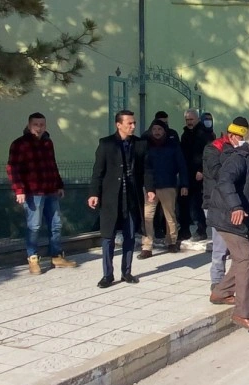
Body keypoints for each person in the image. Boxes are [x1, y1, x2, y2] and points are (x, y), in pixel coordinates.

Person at [206, 129, 249, 333]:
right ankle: (243, 312)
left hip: (237, 219)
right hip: (228, 216)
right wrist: (236, 206)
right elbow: (225, 181)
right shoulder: (239, 158)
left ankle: (220, 293)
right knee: (247, 258)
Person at [88, 110, 153, 288]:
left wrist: (150, 189)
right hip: (111, 199)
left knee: (130, 236)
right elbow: (97, 172)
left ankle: (127, 272)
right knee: (108, 237)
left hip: (131, 198)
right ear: (119, 124)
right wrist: (94, 193)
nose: (133, 126)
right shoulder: (106, 144)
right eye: (129, 123)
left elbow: (147, 169)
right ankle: (107, 275)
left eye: (134, 123)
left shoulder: (140, 144)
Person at [6, 112, 77, 274]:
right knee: (34, 225)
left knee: (56, 224)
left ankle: (57, 256)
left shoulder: (47, 142)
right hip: (32, 191)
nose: (39, 128)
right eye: (35, 125)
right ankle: (32, 258)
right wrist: (19, 190)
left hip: (50, 189)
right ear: (29, 125)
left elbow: (52, 164)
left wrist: (59, 185)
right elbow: (12, 168)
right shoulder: (20, 144)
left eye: (42, 125)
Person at [203, 117, 248, 290]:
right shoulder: (213, 149)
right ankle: (217, 282)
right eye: (240, 138)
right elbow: (217, 173)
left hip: (234, 202)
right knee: (220, 247)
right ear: (231, 135)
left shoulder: (239, 151)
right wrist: (231, 156)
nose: (241, 142)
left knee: (235, 248)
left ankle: (231, 281)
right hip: (215, 202)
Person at [138, 119, 188, 259]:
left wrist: (184, 184)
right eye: (154, 130)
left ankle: (171, 241)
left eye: (160, 130)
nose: (157, 132)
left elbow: (181, 165)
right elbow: (143, 168)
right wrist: (147, 187)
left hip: (168, 185)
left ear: (164, 131)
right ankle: (147, 246)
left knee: (170, 216)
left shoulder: (173, 146)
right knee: (147, 217)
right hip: (150, 188)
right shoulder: (146, 145)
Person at [178, 109, 211, 241]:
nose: (189, 122)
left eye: (191, 119)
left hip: (198, 174)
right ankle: (184, 229)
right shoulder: (185, 134)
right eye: (187, 120)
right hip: (186, 172)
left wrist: (202, 170)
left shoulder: (205, 134)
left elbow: (208, 154)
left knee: (196, 203)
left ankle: (201, 229)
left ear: (197, 119)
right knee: (183, 201)